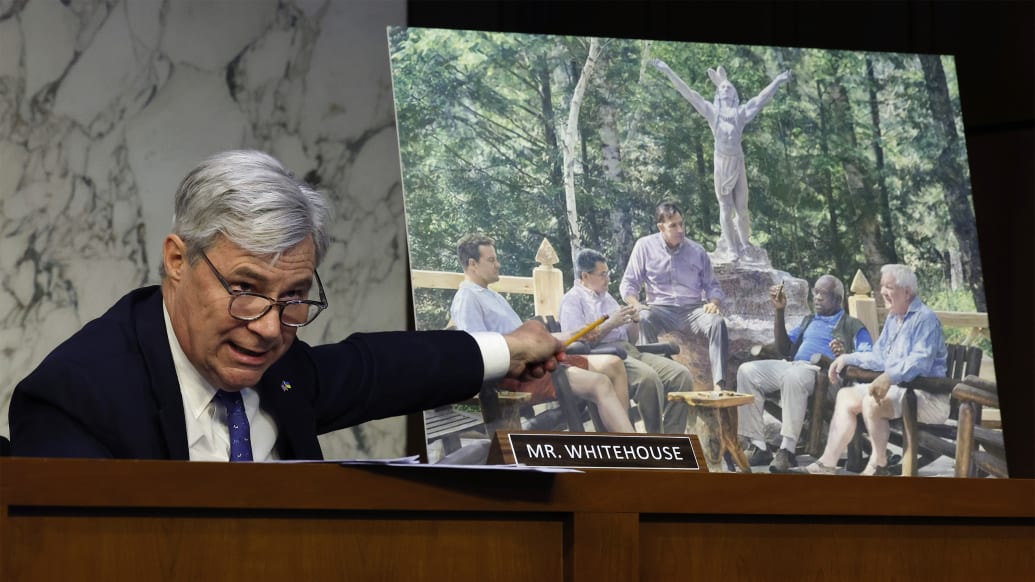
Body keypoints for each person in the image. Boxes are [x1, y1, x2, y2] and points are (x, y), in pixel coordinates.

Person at [10, 150, 564, 461]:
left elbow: (377, 369)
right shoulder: (76, 396)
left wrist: (511, 350)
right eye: (245, 290)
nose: (270, 329)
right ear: (178, 261)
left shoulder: (281, 368)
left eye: (295, 297)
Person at [451, 235, 635, 433]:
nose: (498, 264)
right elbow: (481, 354)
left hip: (537, 362)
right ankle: (626, 447)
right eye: (491, 260)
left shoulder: (491, 295)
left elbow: (527, 341)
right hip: (518, 376)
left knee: (613, 364)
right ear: (472, 264)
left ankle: (619, 439)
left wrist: (578, 333)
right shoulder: (467, 298)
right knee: (600, 383)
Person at [805, 264, 948, 476]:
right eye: (882, 287)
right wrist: (847, 358)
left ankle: (879, 465)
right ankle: (828, 463)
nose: (882, 292)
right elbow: (879, 356)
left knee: (872, 401)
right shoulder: (894, 318)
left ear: (907, 292)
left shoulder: (925, 319)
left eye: (888, 287)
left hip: (928, 397)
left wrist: (889, 377)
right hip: (900, 391)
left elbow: (920, 362)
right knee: (845, 395)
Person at [652, 60, 790, 262]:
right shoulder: (712, 112)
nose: (725, 88)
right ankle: (731, 248)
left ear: (734, 94)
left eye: (729, 87)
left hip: (737, 161)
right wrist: (668, 70)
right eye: (722, 86)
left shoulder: (740, 114)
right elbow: (688, 93)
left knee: (742, 208)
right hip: (721, 163)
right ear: (718, 93)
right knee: (725, 207)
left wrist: (777, 81)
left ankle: (745, 243)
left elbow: (761, 99)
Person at [737, 275, 873, 472]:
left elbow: (868, 355)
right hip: (794, 366)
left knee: (794, 376)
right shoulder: (808, 321)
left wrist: (846, 356)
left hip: (825, 376)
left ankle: (787, 450)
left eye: (823, 294)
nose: (817, 297)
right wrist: (779, 311)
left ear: (838, 299)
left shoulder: (852, 325)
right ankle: (759, 446)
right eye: (815, 292)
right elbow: (784, 348)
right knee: (747, 371)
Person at [560, 249, 695, 434]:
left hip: (630, 351)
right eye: (602, 275)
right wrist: (609, 324)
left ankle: (673, 438)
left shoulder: (607, 298)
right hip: (605, 356)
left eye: (607, 274)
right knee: (648, 378)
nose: (608, 279)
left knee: (681, 375)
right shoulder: (573, 300)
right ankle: (655, 439)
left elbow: (629, 338)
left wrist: (635, 321)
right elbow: (575, 342)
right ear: (585, 275)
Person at [619, 201, 730, 391]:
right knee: (644, 317)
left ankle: (719, 385)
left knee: (717, 322)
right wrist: (635, 303)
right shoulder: (644, 247)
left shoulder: (697, 251)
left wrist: (714, 302)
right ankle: (656, 382)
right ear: (661, 227)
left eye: (682, 224)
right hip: (660, 309)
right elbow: (628, 284)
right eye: (673, 225)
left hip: (693, 310)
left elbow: (713, 286)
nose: (680, 229)